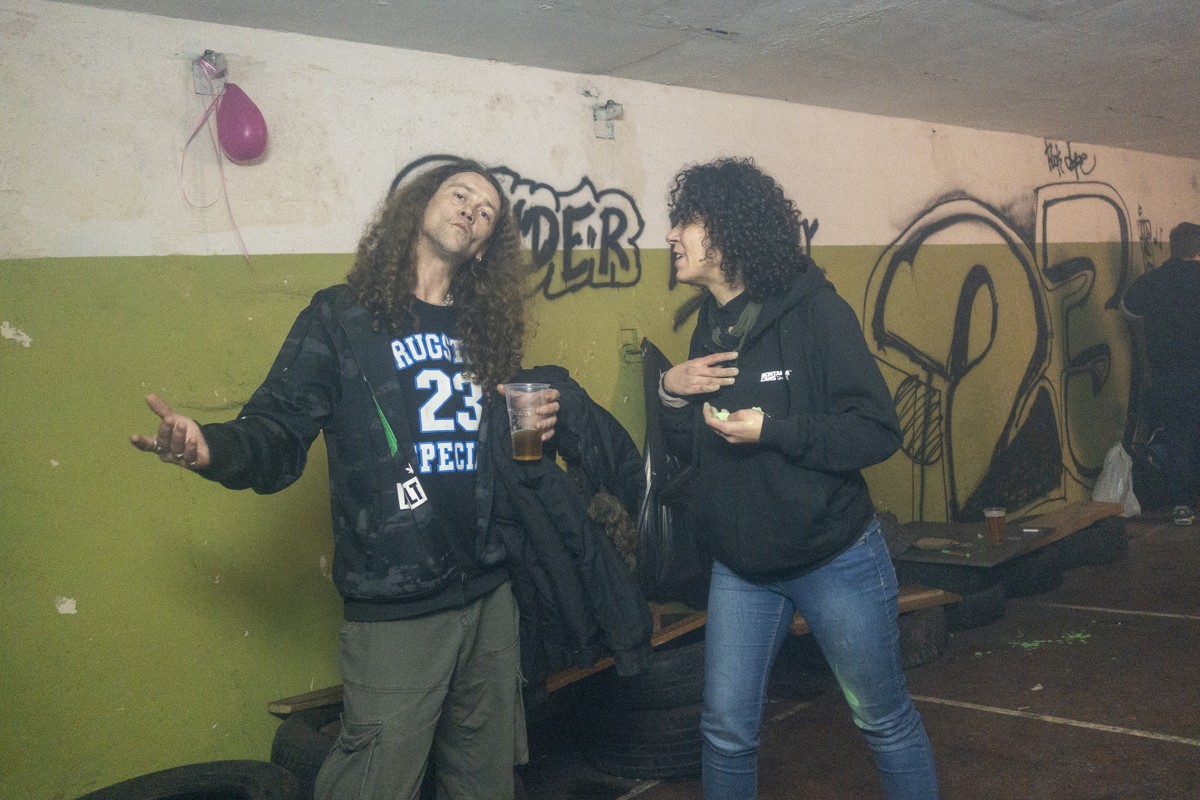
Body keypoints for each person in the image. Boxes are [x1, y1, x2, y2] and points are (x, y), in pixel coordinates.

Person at [130, 157, 558, 800]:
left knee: (486, 782)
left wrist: (532, 426)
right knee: (373, 783)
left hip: (490, 596)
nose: (472, 210)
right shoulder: (342, 318)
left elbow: (490, 454)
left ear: (484, 248)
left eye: (487, 213)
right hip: (397, 606)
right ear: (418, 206)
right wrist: (210, 448)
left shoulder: (484, 331)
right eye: (460, 194)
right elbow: (277, 430)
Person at [657, 157, 939, 799]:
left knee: (883, 721)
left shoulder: (817, 314)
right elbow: (695, 449)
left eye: (686, 221)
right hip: (743, 567)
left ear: (729, 230)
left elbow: (876, 431)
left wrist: (774, 431)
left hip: (832, 557)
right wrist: (672, 392)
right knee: (725, 733)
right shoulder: (711, 324)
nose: (671, 235)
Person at [1123, 221, 1200, 526]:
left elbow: (1128, 308)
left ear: (1173, 247)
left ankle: (1183, 505)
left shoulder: (1154, 280)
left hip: (1168, 372)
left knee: (1179, 435)